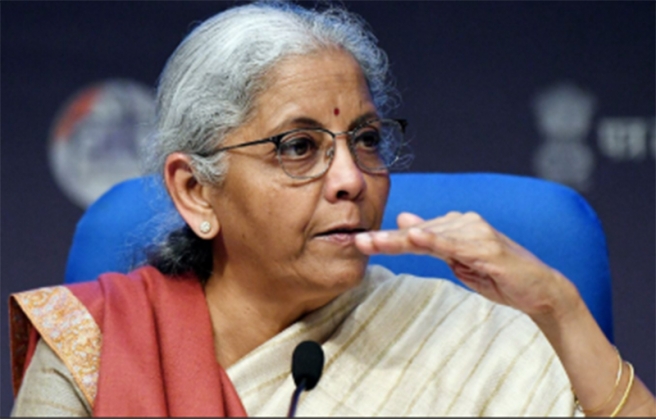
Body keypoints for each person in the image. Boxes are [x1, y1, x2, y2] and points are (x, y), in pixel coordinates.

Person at [9, 1, 655, 416]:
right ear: (195, 191)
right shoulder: (97, 346)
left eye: (366, 140)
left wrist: (561, 310)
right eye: (298, 147)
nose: (350, 179)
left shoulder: (470, 339)